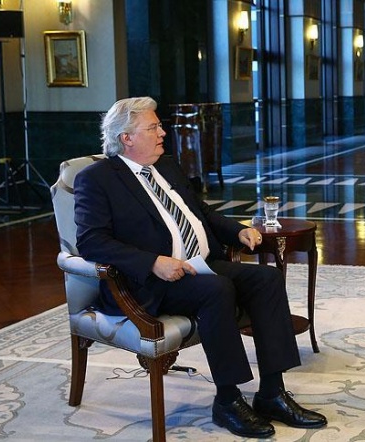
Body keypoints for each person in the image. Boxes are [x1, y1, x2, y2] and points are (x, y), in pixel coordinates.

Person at [74, 97, 327, 439]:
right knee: (216, 289)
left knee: (267, 279)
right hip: (148, 282)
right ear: (127, 138)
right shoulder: (97, 179)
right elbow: (91, 241)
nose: (163, 132)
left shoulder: (166, 165)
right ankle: (228, 400)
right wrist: (153, 262)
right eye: (153, 127)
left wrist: (237, 231)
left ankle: (272, 393)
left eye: (159, 125)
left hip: (199, 265)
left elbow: (201, 213)